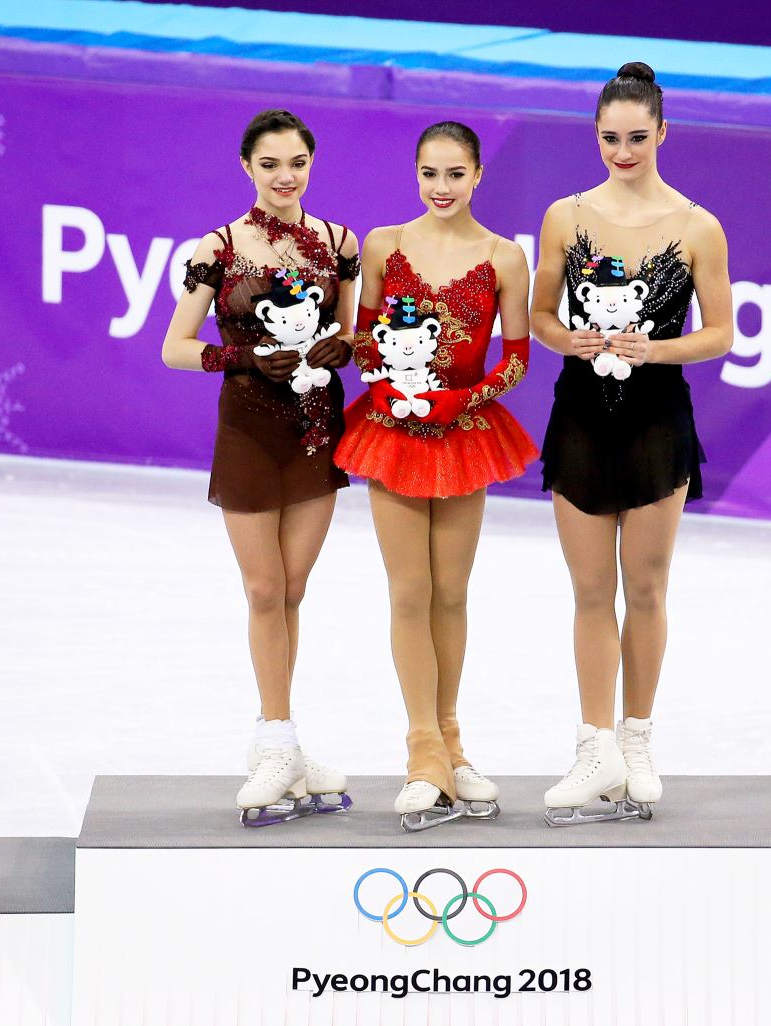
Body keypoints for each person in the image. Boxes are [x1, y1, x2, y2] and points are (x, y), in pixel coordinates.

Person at [530, 63, 733, 825]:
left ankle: (637, 738)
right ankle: (592, 746)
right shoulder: (564, 216)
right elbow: (541, 317)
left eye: (637, 137)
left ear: (663, 133)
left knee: (645, 589)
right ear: (596, 135)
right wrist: (571, 339)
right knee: (590, 592)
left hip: (655, 424)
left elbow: (720, 332)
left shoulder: (696, 226)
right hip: (580, 418)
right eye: (611, 138)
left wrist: (653, 350)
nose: (623, 151)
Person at [334, 121, 537, 831]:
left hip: (463, 433)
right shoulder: (385, 245)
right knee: (410, 591)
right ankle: (421, 748)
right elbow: (362, 336)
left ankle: (451, 743)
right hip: (394, 431)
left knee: (451, 593)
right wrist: (383, 384)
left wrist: (459, 399)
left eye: (454, 174)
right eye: (429, 173)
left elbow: (515, 360)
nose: (441, 187)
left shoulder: (505, 257)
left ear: (478, 175)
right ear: (415, 174)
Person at [161, 109, 358, 826]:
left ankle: (286, 741)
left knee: (293, 589)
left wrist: (349, 348)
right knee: (263, 586)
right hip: (247, 429)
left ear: (311, 164)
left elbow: (354, 332)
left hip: (314, 429)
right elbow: (175, 346)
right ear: (247, 166)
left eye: (297, 162)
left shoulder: (340, 244)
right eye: (271, 163)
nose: (285, 176)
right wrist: (240, 356)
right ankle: (275, 738)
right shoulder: (220, 247)